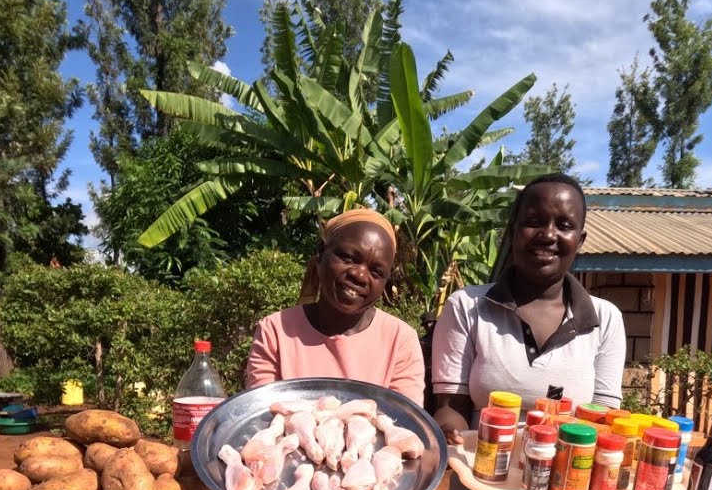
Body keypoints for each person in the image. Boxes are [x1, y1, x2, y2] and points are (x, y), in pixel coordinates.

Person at [430, 173, 626, 444]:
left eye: (564, 225)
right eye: (534, 222)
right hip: (480, 470)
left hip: (566, 478)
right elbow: (451, 406)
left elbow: (603, 420)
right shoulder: (467, 307)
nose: (547, 235)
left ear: (579, 240)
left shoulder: (605, 319)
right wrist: (447, 433)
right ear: (513, 232)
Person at [245, 208, 426, 405]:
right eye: (349, 258)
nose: (360, 275)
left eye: (376, 271)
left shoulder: (400, 340)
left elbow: (402, 425)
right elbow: (261, 417)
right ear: (321, 252)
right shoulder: (276, 330)